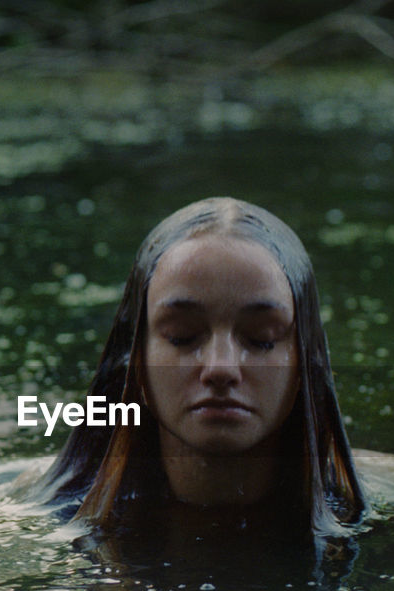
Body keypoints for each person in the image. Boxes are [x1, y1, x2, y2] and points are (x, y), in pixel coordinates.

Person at [33, 196, 365, 537]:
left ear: (305, 363)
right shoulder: (30, 508)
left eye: (261, 339)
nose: (221, 368)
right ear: (134, 359)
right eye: (182, 336)